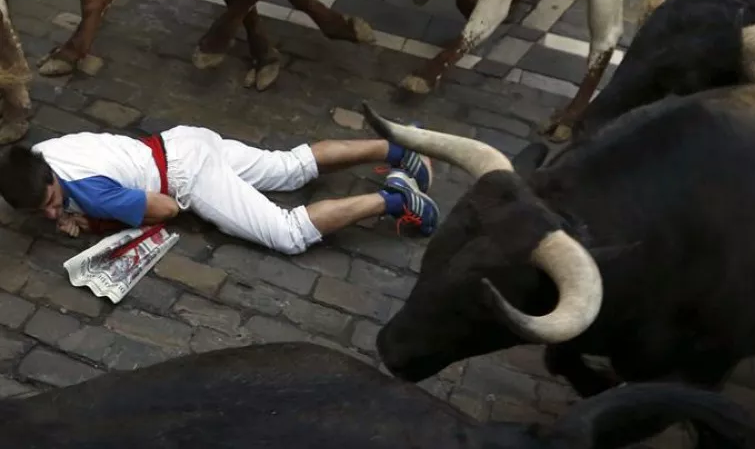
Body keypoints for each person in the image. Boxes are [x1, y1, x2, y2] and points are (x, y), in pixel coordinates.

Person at [0, 125, 439, 255]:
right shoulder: (38, 153)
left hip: (186, 176)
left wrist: (93, 220)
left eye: (53, 203)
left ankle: (395, 199)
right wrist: (71, 209)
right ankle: (398, 150)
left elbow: (167, 209)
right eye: (41, 212)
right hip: (184, 139)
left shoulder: (89, 193)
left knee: (287, 234)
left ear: (52, 178)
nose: (52, 214)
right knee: (288, 167)